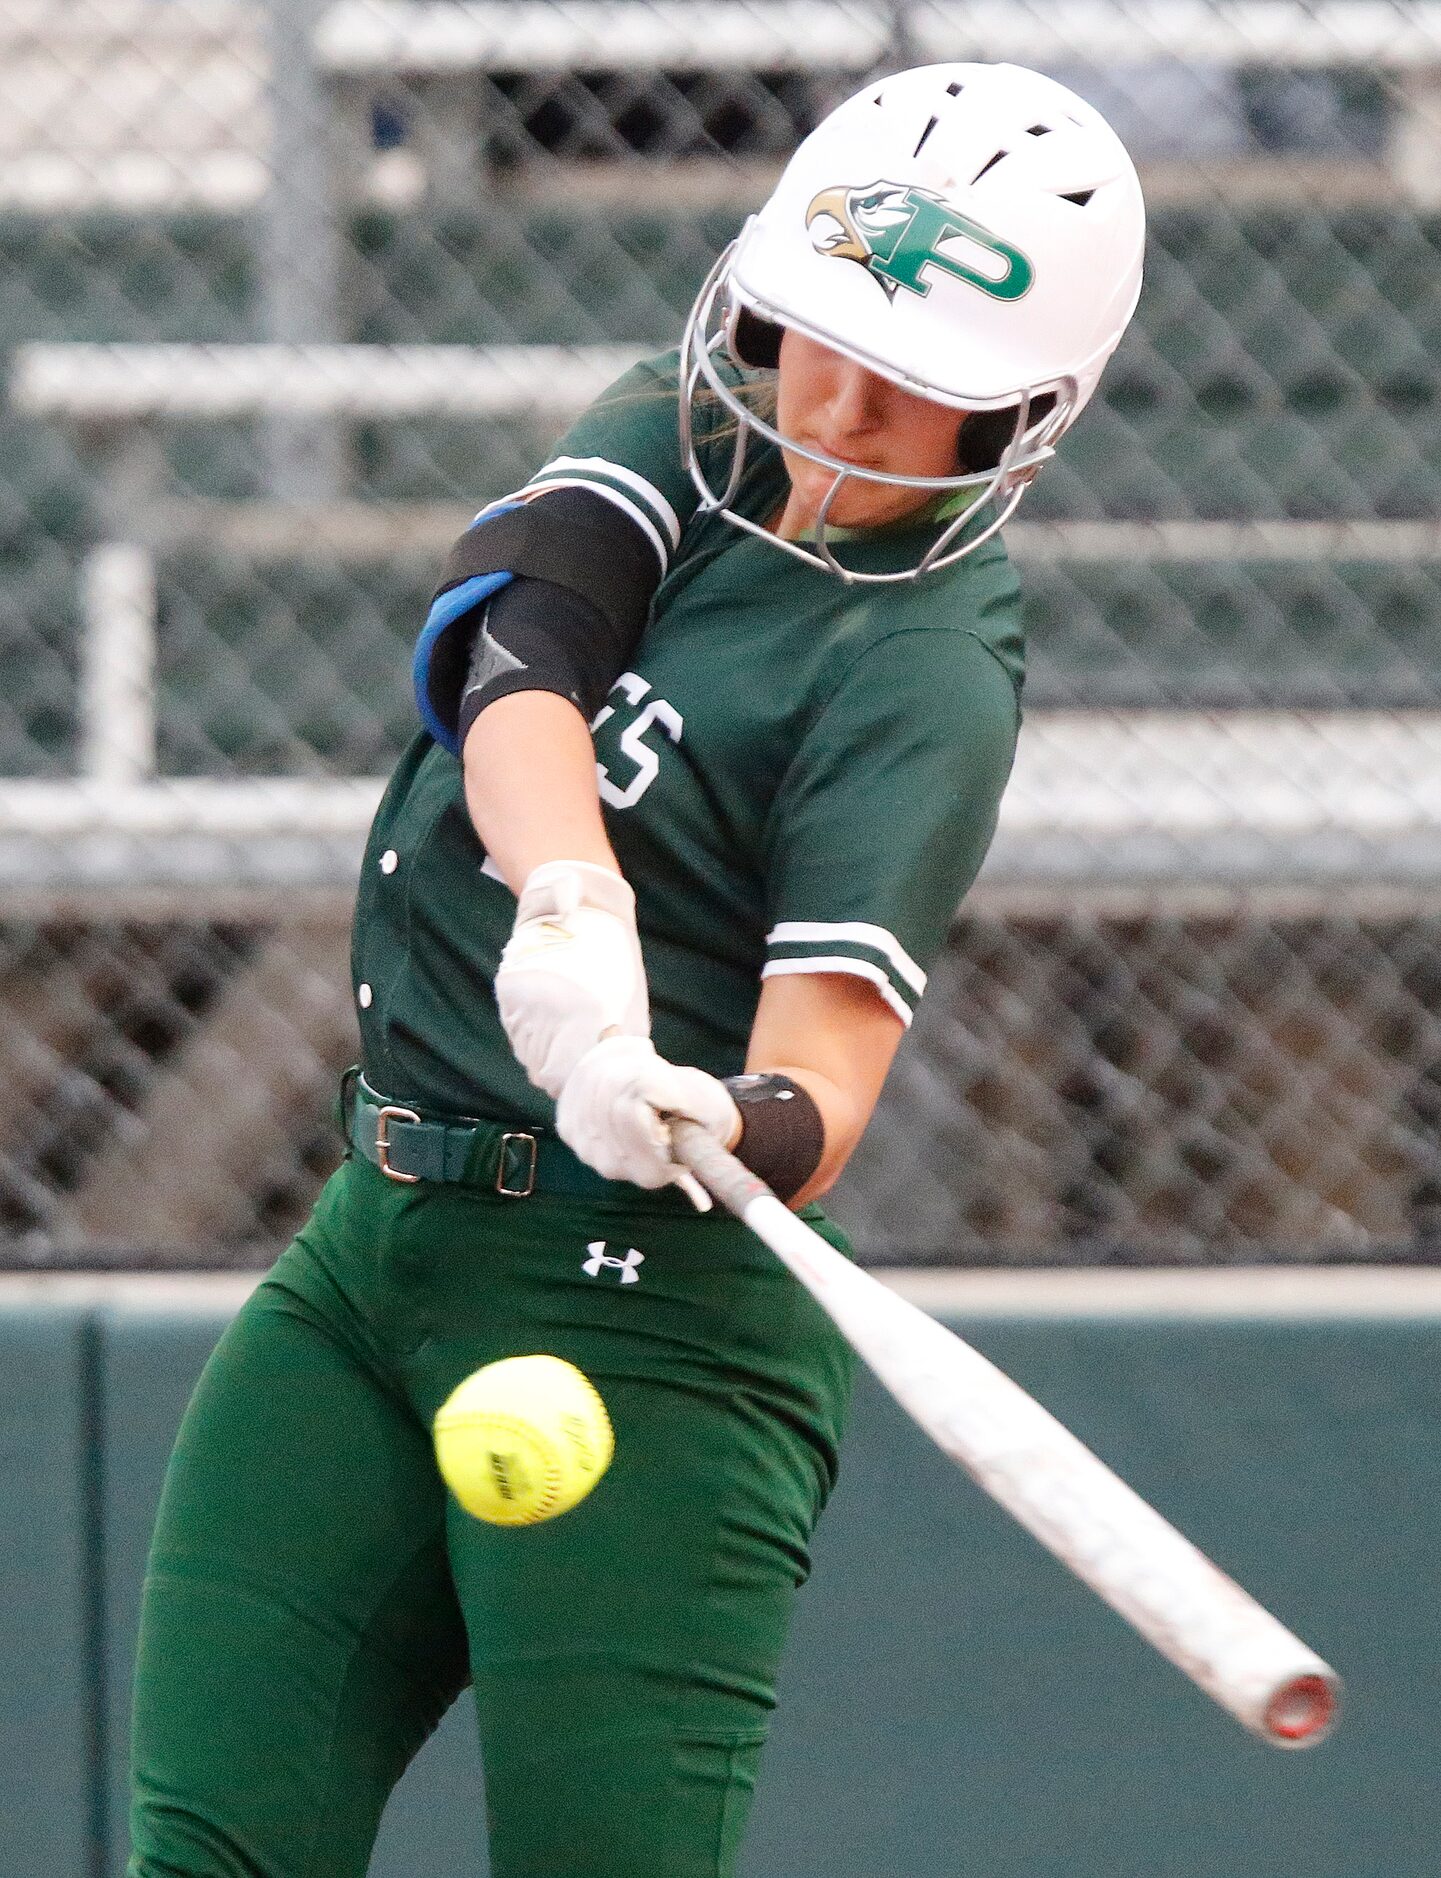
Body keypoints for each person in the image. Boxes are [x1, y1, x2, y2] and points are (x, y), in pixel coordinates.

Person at [127, 62, 1144, 1878]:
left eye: (911, 391)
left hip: (652, 1328)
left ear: (1023, 422)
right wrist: (573, 904)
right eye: (808, 333)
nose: (830, 404)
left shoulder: (922, 673)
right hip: (375, 1251)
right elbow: (526, 649)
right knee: (208, 1851)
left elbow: (821, 1089)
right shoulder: (700, 421)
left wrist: (698, 1105)